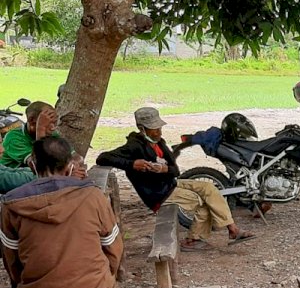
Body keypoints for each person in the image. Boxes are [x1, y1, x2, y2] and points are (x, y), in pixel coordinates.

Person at [1, 137, 124, 288]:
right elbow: (113, 246)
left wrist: (19, 285)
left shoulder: (12, 204)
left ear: (32, 165)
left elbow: (10, 257)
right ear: (69, 167)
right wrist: (109, 274)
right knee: (98, 282)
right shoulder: (93, 196)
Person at [96, 107, 254, 251]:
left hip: (170, 184)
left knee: (209, 188)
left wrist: (165, 169)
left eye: (159, 128)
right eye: (153, 129)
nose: (158, 132)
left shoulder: (160, 143)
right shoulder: (133, 147)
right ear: (142, 129)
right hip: (158, 193)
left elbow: (175, 170)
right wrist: (132, 164)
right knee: (200, 202)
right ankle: (193, 241)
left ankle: (232, 228)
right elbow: (102, 158)